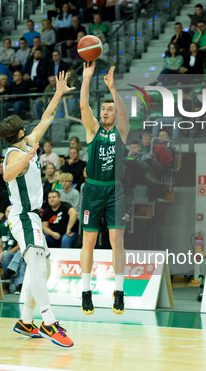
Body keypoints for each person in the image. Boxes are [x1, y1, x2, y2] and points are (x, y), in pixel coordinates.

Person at [0, 71, 75, 347]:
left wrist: (58, 92)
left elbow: (47, 118)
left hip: (31, 217)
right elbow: (8, 175)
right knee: (39, 271)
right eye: (23, 128)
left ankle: (26, 321)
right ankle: (50, 322)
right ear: (18, 132)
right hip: (24, 217)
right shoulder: (14, 154)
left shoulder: (27, 144)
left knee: (44, 270)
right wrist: (29, 157)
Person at [78, 62, 128, 316]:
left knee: (116, 241)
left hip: (115, 191)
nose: (107, 112)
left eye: (110, 109)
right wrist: (87, 78)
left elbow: (124, 113)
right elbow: (84, 107)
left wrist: (113, 89)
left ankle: (119, 291)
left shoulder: (121, 131)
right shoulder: (92, 130)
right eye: (104, 109)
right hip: (94, 190)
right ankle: (86, 291)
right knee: (89, 240)